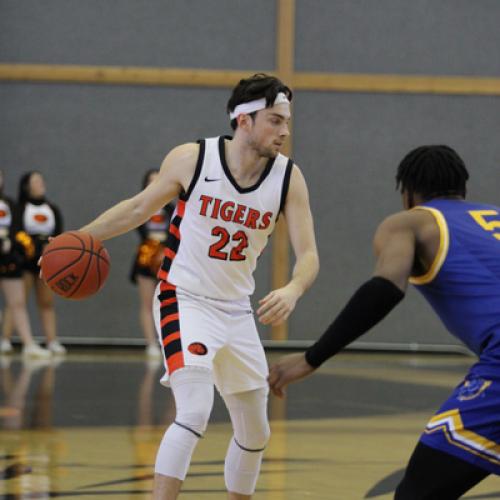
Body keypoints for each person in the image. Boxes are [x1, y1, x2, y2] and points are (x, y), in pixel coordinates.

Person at [69, 73, 319, 499]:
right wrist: (78, 239)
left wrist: (293, 289)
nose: (285, 131)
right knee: (195, 410)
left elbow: (309, 255)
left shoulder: (288, 178)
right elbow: (135, 209)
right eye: (275, 121)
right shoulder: (193, 158)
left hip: (236, 308)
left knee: (256, 431)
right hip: (183, 297)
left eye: (286, 122)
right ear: (244, 119)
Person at [269, 145, 500, 499]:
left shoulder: (412, 221)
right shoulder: (493, 216)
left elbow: (384, 289)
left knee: (416, 494)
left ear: (407, 192)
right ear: (463, 188)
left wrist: (311, 357)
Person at [2, 171, 66, 355]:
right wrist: (30, 249)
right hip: (26, 261)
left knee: (47, 301)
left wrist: (52, 250)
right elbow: (17, 233)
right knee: (17, 301)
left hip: (47, 261)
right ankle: (5, 339)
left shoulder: (52, 209)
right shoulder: (20, 208)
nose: (40, 184)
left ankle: (51, 341)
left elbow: (59, 235)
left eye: (41, 180)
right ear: (26, 186)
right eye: (35, 181)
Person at [130, 169, 175, 358]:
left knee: (168, 303)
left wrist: (164, 249)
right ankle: (151, 344)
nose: (154, 184)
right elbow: (137, 228)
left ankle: (169, 343)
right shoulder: (141, 209)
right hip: (146, 256)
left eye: (158, 180)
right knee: (147, 303)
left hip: (167, 258)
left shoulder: (172, 209)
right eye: (151, 181)